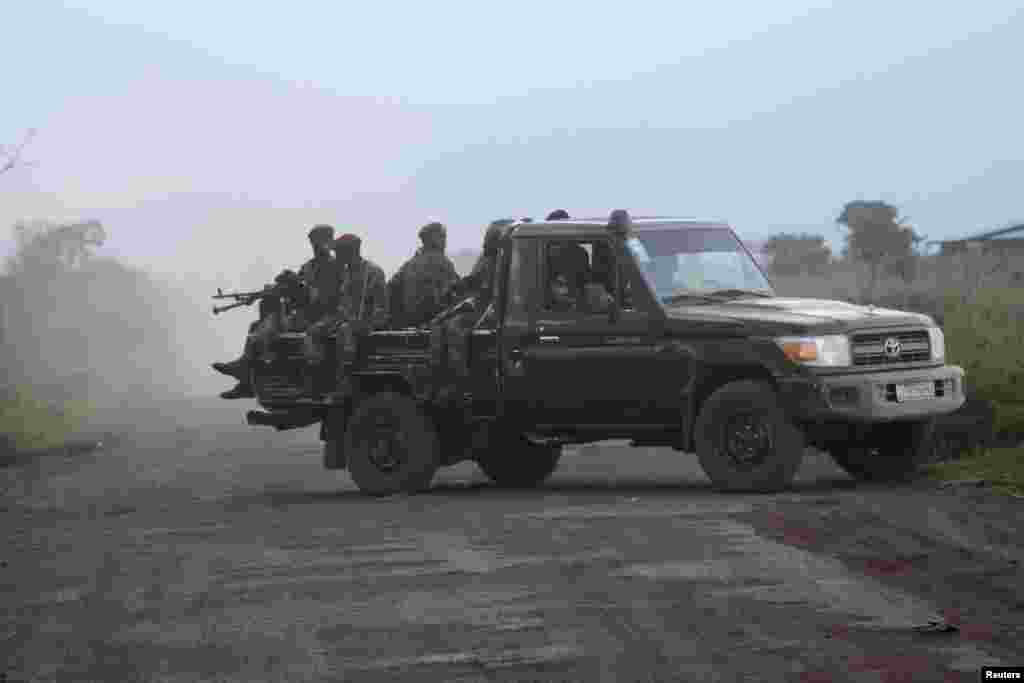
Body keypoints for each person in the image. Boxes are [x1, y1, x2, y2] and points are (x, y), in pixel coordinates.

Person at [214, 225, 334, 399]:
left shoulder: (333, 267)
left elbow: (326, 298)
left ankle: (245, 372)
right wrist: (279, 287)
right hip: (302, 316)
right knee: (257, 324)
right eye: (313, 241)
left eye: (319, 241)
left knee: (267, 327)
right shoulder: (308, 267)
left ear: (328, 241)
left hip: (321, 318)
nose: (316, 245)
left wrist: (300, 287)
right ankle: (248, 380)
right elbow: (296, 291)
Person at [389, 221, 459, 328]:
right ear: (434, 239)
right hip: (434, 322)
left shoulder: (410, 263)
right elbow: (457, 290)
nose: (445, 241)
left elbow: (391, 287)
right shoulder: (442, 262)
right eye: (442, 237)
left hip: (409, 321)